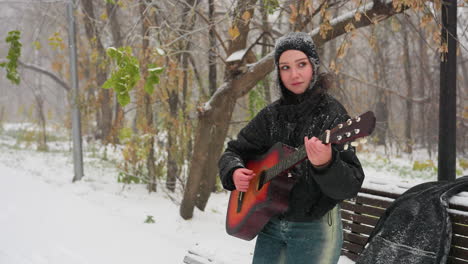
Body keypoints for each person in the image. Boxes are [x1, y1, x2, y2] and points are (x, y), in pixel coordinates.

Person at [218, 32, 365, 264]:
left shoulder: (333, 115)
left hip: (315, 229)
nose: (294, 74)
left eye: (301, 64)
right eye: (285, 67)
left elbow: (350, 186)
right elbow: (233, 152)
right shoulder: (271, 116)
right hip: (270, 224)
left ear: (314, 66)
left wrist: (326, 164)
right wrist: (234, 170)